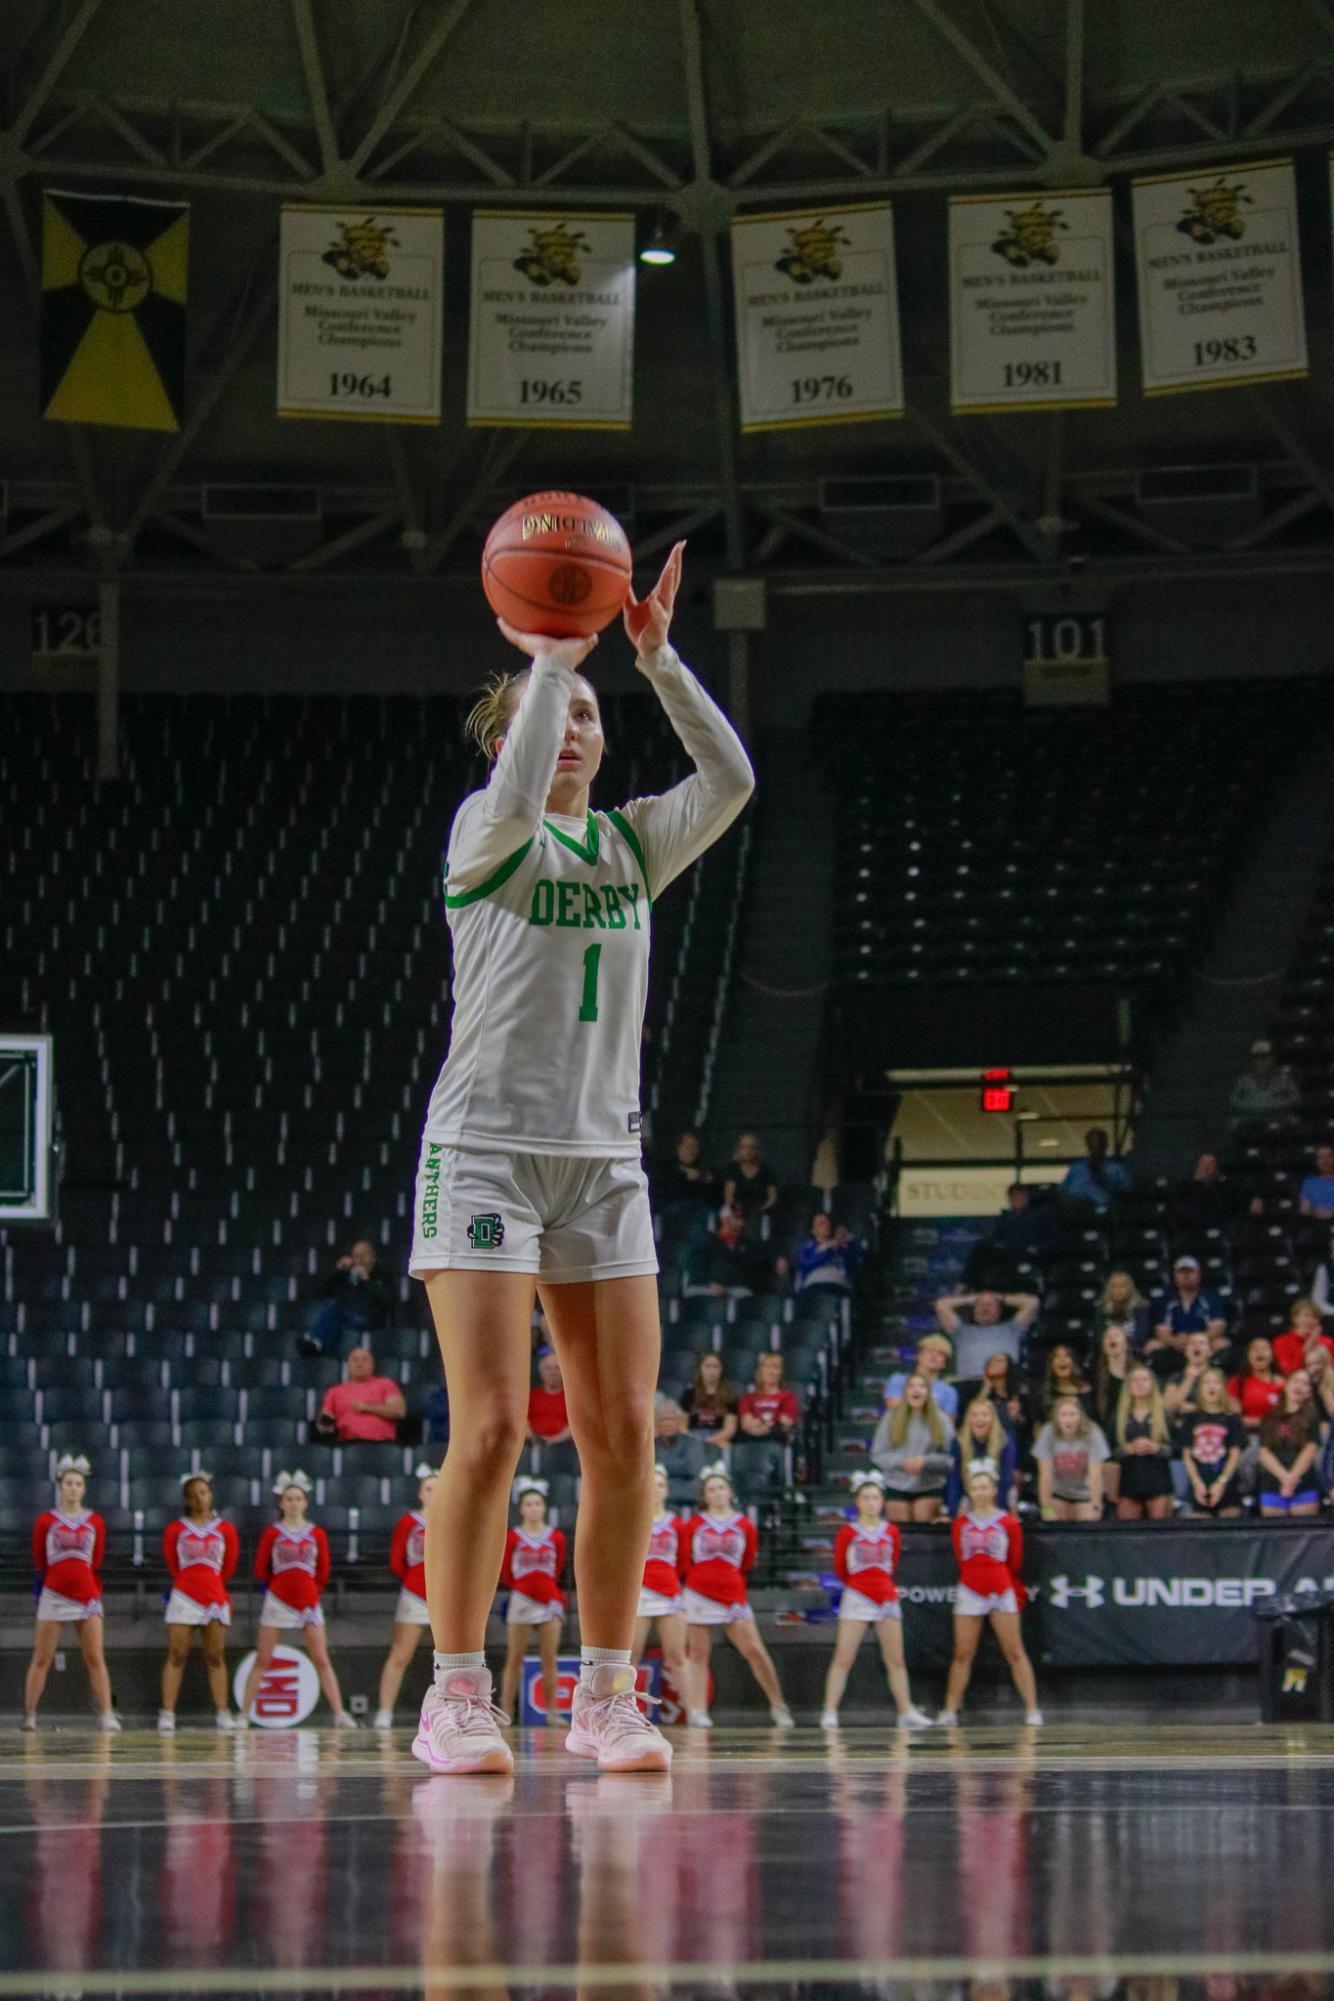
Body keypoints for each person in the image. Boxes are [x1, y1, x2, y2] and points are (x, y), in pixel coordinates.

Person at [406, 545, 752, 1779]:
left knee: (621, 1439)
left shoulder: (628, 849)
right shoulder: (486, 836)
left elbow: (731, 774)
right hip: (486, 1153)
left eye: (586, 714)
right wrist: (552, 655)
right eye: (553, 710)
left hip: (602, 1165)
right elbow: (519, 761)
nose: (572, 724)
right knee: (492, 1429)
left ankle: (606, 1695)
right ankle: (454, 1693)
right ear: (513, 735)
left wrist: (652, 658)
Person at [239, 1470, 356, 1728]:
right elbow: (261, 1568)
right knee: (263, 1658)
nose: (293, 1503)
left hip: (308, 1602)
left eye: (298, 1498)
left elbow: (323, 1571)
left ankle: (339, 1713)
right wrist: (277, 1589)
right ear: (281, 1503)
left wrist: (311, 1594)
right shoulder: (272, 1533)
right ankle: (244, 1714)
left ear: (305, 1502)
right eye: (289, 1499)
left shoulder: (316, 1534)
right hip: (277, 1600)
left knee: (322, 1658)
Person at [681, 1464, 792, 1729]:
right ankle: (697, 1710)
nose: (717, 1493)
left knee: (754, 1650)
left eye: (721, 1488)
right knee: (698, 1654)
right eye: (711, 1490)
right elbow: (685, 1561)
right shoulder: (693, 1524)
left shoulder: (745, 1525)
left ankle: (778, 1705)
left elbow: (748, 1561)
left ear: (729, 1491)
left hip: (732, 1592)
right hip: (698, 1592)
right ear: (704, 1495)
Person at [819, 1471, 932, 1731]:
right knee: (843, 1656)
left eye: (875, 1497)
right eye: (866, 1498)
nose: (871, 1502)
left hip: (886, 1597)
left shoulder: (891, 1530)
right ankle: (830, 1710)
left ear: (882, 1501)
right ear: (857, 1501)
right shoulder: (848, 1533)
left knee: (896, 1659)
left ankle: (905, 1710)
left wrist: (881, 1587)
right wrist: (859, 1586)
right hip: (857, 1596)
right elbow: (840, 1568)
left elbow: (892, 1565)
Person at [936, 1460, 1042, 1729]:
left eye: (985, 1487)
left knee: (1014, 1650)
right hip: (970, 1588)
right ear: (969, 1491)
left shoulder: (1008, 1523)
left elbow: (1014, 1562)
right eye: (975, 1488)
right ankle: (949, 1710)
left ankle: (1032, 1709)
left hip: (1000, 1588)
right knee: (962, 1652)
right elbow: (962, 1558)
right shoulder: (960, 1525)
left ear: (994, 1489)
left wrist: (998, 1581)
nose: (980, 1492)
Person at [24, 1455, 119, 1733]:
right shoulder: (45, 1521)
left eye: (78, 1483)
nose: (73, 1488)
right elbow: (40, 1558)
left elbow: (96, 1559)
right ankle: (29, 1715)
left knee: (95, 1658)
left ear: (84, 1488)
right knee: (42, 1658)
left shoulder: (95, 1522)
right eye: (68, 1483)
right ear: (60, 1486)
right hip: (53, 1594)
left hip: (87, 1596)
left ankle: (106, 1714)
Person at [158, 1471, 240, 1734]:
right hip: (184, 1595)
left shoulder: (225, 1529)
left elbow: (229, 1566)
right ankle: (168, 1713)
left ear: (211, 1495)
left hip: (214, 1596)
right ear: (186, 1499)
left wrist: (212, 1584)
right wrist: (185, 1584)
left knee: (215, 1656)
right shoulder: (176, 1529)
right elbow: (173, 1563)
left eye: (204, 1492)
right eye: (194, 1494)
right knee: (177, 1654)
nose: (200, 1498)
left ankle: (222, 1712)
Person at [373, 1465, 438, 1731]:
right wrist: (414, 1582)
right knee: (400, 1654)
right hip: (414, 1593)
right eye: (429, 1489)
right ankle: (385, 1711)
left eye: (439, 1489)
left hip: (444, 1596)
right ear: (420, 1494)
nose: (435, 1494)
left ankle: (452, 1713)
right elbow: (397, 1561)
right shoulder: (409, 1523)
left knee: (451, 1657)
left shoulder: (455, 1519)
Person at [498, 1476, 567, 1723]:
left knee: (549, 1658)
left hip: (549, 1600)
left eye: (537, 1503)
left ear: (544, 1506)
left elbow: (557, 1569)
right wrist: (521, 1588)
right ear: (521, 1509)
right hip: (521, 1599)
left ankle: (551, 1710)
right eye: (528, 1504)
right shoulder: (513, 1537)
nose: (533, 1508)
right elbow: (506, 1572)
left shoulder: (556, 1537)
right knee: (514, 1657)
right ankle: (505, 1710)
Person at [632, 1463, 691, 1720]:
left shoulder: (678, 1524)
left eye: (660, 1486)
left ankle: (694, 1710)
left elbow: (685, 1561)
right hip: (639, 1593)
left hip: (669, 1593)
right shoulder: (632, 1519)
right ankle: (626, 1711)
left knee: (677, 1655)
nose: (655, 1491)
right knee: (630, 1657)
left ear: (666, 1491)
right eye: (651, 1485)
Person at [871, 1371, 955, 1523]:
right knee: (901, 1528)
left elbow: (951, 1459)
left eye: (921, 1386)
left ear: (928, 1393)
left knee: (922, 1521)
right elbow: (878, 1454)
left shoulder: (941, 1419)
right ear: (905, 1392)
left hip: (929, 1484)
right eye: (911, 1386)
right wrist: (902, 1462)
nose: (916, 1390)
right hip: (896, 1483)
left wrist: (925, 1461)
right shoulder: (891, 1417)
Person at [298, 1239, 393, 1357]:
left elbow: (387, 1301)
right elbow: (321, 1293)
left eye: (363, 1256)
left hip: (369, 1319)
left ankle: (317, 1343)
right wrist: (338, 1272)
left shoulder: (382, 1276)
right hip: (344, 1316)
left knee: (333, 1313)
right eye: (355, 1256)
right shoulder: (346, 1274)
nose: (359, 1260)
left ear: (372, 1257)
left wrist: (367, 1281)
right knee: (329, 1308)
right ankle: (319, 1344)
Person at [961, 1183, 1058, 1291]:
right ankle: (966, 1286)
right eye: (1014, 1197)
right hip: (1005, 1254)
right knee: (980, 1248)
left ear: (1026, 1197)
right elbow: (995, 1238)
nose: (1017, 1199)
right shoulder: (1005, 1218)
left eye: (1020, 1196)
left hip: (1027, 1254)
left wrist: (1037, 1249)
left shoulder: (1040, 1217)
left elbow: (1054, 1241)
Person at [932, 1287, 1039, 1378]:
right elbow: (941, 1305)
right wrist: (972, 1299)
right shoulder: (961, 1332)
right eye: (980, 1305)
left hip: (1004, 1385)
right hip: (969, 1384)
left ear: (999, 1310)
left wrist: (1000, 1297)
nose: (985, 1308)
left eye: (990, 1305)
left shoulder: (1012, 1328)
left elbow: (1033, 1303)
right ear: (973, 1310)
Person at [1113, 1366, 1175, 1522]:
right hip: (1128, 1483)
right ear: (1128, 1385)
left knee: (1160, 1536)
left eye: (1145, 1380)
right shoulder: (1118, 1416)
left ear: (1152, 1384)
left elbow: (1177, 1449)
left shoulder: (1164, 1414)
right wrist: (1127, 1449)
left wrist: (1157, 1448)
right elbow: (1110, 1452)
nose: (1140, 1384)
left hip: (1158, 1483)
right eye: (1135, 1380)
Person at [1033, 1397, 1109, 1521]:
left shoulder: (1093, 1433)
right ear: (1056, 1418)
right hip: (1058, 1493)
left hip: (1086, 1493)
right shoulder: (1047, 1432)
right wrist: (1046, 1509)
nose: (1068, 1419)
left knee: (1089, 1520)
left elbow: (1095, 1475)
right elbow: (1045, 1475)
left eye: (1073, 1414)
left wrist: (1096, 1507)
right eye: (1063, 1415)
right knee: (1052, 1520)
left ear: (1080, 1416)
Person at [1258, 1371, 1322, 1518]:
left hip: (1303, 1484)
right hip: (1273, 1484)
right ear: (1286, 1385)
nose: (1299, 1386)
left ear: (1309, 1392)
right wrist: (1284, 1478)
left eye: (1305, 1383)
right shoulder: (1269, 1417)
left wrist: (1291, 1479)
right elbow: (1264, 1452)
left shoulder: (1313, 1416)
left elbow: (1310, 1449)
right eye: (1296, 1381)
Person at [1145, 1257, 1227, 1372]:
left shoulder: (1210, 1299)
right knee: (1152, 1345)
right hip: (1176, 1344)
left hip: (1203, 1342)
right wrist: (1174, 1341)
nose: (1186, 1275)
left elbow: (1217, 1329)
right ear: (1175, 1276)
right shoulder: (1167, 1300)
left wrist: (1195, 1341)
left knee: (1222, 1343)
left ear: (1198, 1274)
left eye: (1190, 1272)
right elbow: (1161, 1332)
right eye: (1182, 1272)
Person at [1181, 1369, 1244, 1517]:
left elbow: (1234, 1455)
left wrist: (1222, 1482)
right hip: (1200, 1480)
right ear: (1200, 1388)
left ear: (1223, 1387)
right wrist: (1197, 1483)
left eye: (1216, 1382)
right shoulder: (1191, 1418)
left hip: (1226, 1482)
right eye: (1207, 1382)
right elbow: (1187, 1455)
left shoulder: (1232, 1419)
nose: (1212, 1387)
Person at [315, 1345, 406, 1445]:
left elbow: (399, 1411)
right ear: (348, 1365)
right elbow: (325, 1418)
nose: (360, 1363)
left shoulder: (386, 1384)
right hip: (347, 1445)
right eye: (355, 1360)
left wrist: (367, 1407)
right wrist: (325, 1426)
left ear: (373, 1365)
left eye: (365, 1359)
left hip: (381, 1445)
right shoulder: (334, 1391)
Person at [945, 1397, 1018, 1515]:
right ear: (968, 1419)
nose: (979, 1419)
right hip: (969, 1496)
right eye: (974, 1415)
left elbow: (1006, 1479)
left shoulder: (1005, 1441)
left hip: (999, 1497)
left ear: (993, 1418)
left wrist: (996, 1511)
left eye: (984, 1414)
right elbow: (954, 1479)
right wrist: (954, 1511)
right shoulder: (958, 1442)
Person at [680, 1205, 763, 1300]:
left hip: (731, 1289)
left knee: (746, 1295)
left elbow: (748, 1272)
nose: (741, 1222)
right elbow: (695, 1267)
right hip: (705, 1286)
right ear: (725, 1219)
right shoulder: (707, 1240)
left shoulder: (745, 1244)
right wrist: (710, 1284)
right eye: (737, 1217)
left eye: (741, 1218)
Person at [650, 1130, 720, 1228]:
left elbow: (713, 1190)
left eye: (695, 1147)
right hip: (671, 1214)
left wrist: (699, 1177)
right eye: (688, 1146)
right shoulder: (666, 1168)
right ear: (679, 1148)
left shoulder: (704, 1168)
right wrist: (683, 1175)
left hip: (697, 1215)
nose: (691, 1151)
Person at [1229, 1039, 1300, 1135]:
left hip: (1279, 1117)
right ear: (1252, 1061)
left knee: (1294, 1122)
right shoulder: (1244, 1080)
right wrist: (1253, 1106)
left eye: (1265, 1057)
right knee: (1234, 1124)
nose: (1262, 1061)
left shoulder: (1285, 1079)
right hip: (1251, 1117)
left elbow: (1295, 1098)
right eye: (1257, 1058)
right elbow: (1234, 1100)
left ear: (1273, 1059)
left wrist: (1276, 1105)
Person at [736, 1353, 800, 1455]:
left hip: (777, 1443)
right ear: (760, 1371)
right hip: (751, 1442)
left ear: (781, 1372)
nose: (772, 1372)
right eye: (767, 1367)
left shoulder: (789, 1398)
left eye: (776, 1367)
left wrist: (758, 1422)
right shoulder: (747, 1398)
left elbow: (786, 1424)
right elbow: (746, 1424)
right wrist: (769, 1423)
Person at [883, 1333, 958, 1420]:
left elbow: (947, 1425)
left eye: (940, 1353)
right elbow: (894, 1408)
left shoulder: (949, 1391)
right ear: (919, 1356)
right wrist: (930, 1406)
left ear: (944, 1363)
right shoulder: (898, 1380)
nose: (934, 1355)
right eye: (930, 1351)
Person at [1060, 1128, 1130, 1215]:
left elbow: (1126, 1192)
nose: (1095, 1147)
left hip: (1101, 1211)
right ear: (1088, 1145)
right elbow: (1063, 1190)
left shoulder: (1115, 1169)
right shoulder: (1076, 1167)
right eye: (1092, 1144)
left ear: (1105, 1145)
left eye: (1098, 1143)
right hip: (1074, 1211)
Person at [1228, 1334, 1285, 1433]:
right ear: (1248, 1356)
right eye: (1255, 1349)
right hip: (1246, 1435)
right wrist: (1265, 1423)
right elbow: (1236, 1419)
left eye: (1264, 1348)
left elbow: (1286, 1417)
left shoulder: (1282, 1384)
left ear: (1272, 1355)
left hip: (1275, 1435)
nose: (1260, 1352)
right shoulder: (1236, 1382)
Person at [653, 1394, 708, 1496]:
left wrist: (659, 1466)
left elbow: (692, 1468)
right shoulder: (651, 1446)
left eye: (671, 1419)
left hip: (686, 1497)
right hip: (657, 1499)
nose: (667, 1423)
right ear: (656, 1424)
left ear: (679, 1422)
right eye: (663, 1420)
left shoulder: (693, 1443)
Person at [794, 1212, 862, 1295]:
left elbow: (854, 1264)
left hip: (840, 1288)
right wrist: (826, 1249)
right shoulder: (808, 1247)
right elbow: (805, 1265)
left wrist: (847, 1244)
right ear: (813, 1230)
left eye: (827, 1222)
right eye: (821, 1224)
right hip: (815, 1288)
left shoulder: (838, 1246)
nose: (826, 1225)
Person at [681, 1353, 739, 1447]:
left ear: (721, 1369)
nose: (711, 1370)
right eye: (707, 1366)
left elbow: (729, 1429)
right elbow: (683, 1426)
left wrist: (709, 1441)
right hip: (694, 1437)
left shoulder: (729, 1395)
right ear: (700, 1368)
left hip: (719, 1437)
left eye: (716, 1366)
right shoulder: (690, 1394)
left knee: (727, 1447)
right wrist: (696, 1441)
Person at [722, 1132, 778, 1223]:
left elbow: (772, 1198)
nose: (748, 1150)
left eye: (752, 1147)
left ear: (757, 1150)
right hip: (737, 1212)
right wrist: (737, 1213)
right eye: (745, 1147)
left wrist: (760, 1211)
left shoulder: (767, 1170)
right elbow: (728, 1196)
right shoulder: (732, 1168)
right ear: (739, 1149)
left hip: (760, 1213)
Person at [1273, 1299, 1334, 1378]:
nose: (1310, 1320)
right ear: (1295, 1318)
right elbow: (1289, 1372)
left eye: (1315, 1317)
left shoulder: (1328, 1342)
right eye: (1306, 1316)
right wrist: (1309, 1344)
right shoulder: (1282, 1341)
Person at [526, 1348, 572, 1446]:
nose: (553, 1372)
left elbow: (577, 1425)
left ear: (563, 1372)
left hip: (565, 1447)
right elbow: (523, 1422)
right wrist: (534, 1438)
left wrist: (556, 1440)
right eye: (549, 1368)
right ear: (541, 1373)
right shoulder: (530, 1396)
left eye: (557, 1368)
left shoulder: (572, 1398)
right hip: (534, 1446)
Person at [1097, 1271, 1149, 1352]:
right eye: (1114, 1287)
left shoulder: (1140, 1308)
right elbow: (1099, 1335)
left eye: (1122, 1286)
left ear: (1130, 1288)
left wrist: (1122, 1346)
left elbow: (1141, 1336)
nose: (1118, 1290)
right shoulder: (1102, 1309)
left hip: (1133, 1349)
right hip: (1108, 1350)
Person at [1040, 1344, 1093, 1417]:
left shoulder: (1085, 1391)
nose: (1062, 1360)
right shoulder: (1045, 1392)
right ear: (1051, 1365)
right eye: (1057, 1357)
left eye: (1066, 1356)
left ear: (1073, 1362)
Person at [1300, 1144, 1334, 1220]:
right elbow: (1304, 1210)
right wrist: (1315, 1211)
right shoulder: (1309, 1182)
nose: (1325, 1161)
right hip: (1317, 1224)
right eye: (1320, 1158)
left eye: (1328, 1156)